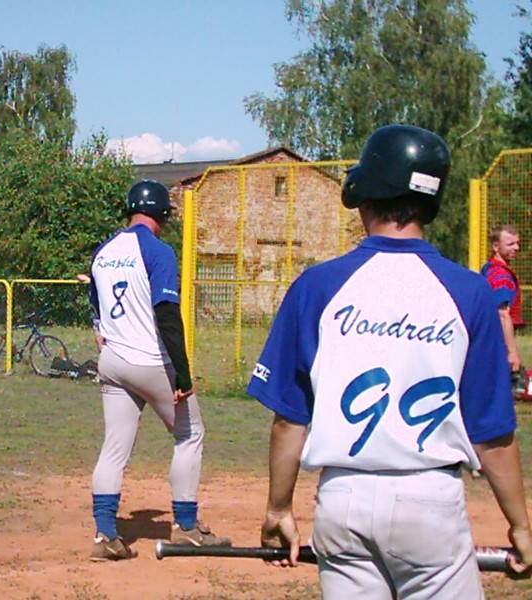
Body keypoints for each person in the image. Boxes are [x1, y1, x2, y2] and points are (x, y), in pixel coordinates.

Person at [249, 125, 532, 598]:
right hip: (429, 501)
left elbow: (290, 419)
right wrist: (519, 523)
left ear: (365, 195)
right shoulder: (469, 292)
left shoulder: (317, 286)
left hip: (342, 500)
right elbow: (492, 433)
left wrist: (279, 508)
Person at [88, 179, 230, 561]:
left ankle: (105, 534)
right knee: (189, 433)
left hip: (113, 361)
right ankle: (186, 527)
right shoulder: (158, 250)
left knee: (115, 445)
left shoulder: (103, 251)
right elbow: (167, 315)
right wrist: (182, 374)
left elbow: (96, 307)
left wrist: (102, 333)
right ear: (162, 214)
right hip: (150, 361)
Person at [481, 225, 524, 373]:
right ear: (496, 246)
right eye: (510, 244)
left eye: (518, 243)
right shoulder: (501, 275)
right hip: (496, 343)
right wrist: (512, 352)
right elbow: (502, 314)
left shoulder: (489, 268)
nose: (516, 247)